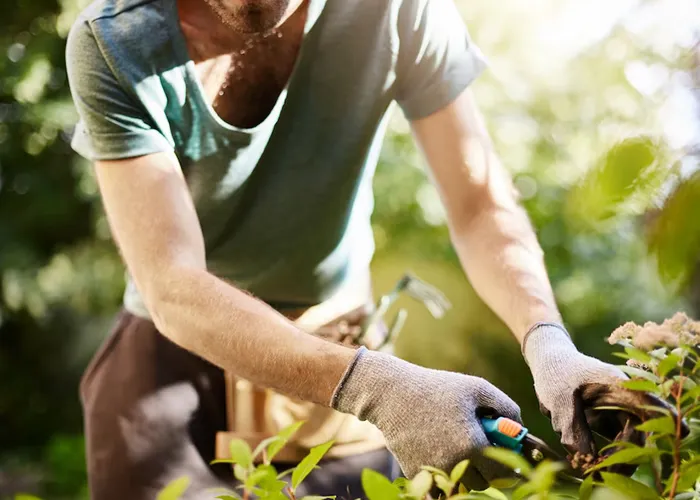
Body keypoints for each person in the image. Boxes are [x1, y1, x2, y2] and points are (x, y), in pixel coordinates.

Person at [65, 0, 633, 498]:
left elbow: (479, 203)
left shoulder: (396, 10)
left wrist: (548, 342)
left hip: (337, 340)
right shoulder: (115, 40)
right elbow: (172, 284)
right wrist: (377, 387)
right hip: (172, 365)